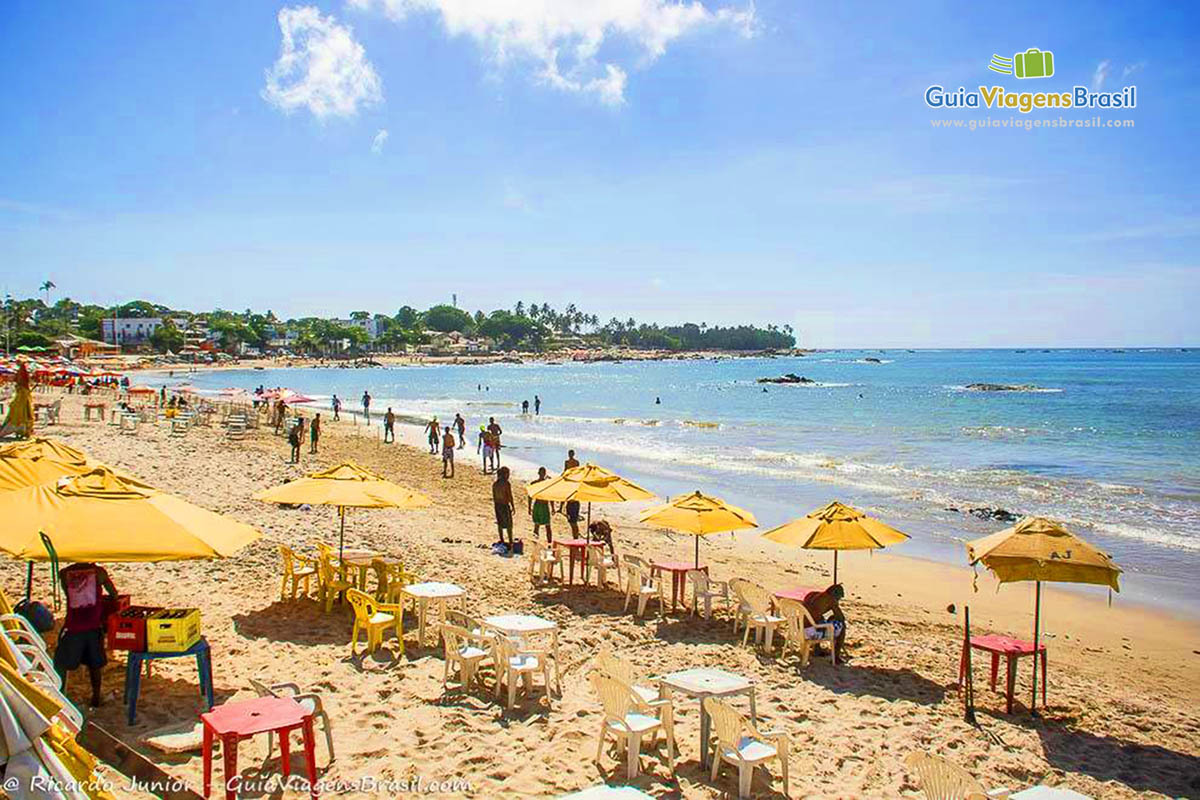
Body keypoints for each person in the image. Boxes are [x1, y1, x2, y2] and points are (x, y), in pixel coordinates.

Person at [55, 562, 119, 707]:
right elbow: (114, 595)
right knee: (94, 665)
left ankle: (60, 694)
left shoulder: (65, 573)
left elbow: (68, 594)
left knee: (61, 663)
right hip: (93, 626)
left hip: (73, 627)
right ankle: (96, 696)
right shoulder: (99, 572)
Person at [802, 584, 848, 664]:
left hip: (800, 629)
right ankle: (836, 657)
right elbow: (841, 618)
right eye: (839, 598)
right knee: (842, 626)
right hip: (811, 633)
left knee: (821, 620)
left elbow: (815, 613)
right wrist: (835, 607)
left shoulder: (812, 594)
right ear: (835, 595)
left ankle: (817, 649)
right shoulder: (831, 600)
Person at [492, 467, 515, 551]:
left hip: (497, 505)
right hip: (504, 505)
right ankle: (510, 541)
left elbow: (494, 497)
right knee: (509, 525)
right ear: (505, 474)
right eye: (508, 474)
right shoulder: (506, 483)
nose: (508, 476)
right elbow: (509, 495)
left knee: (500, 523)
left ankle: (502, 539)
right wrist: (512, 506)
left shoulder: (495, 484)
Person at [528, 467, 553, 543]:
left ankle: (546, 543)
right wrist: (529, 507)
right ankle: (544, 542)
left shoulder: (537, 483)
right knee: (543, 526)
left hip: (540, 505)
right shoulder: (544, 484)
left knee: (541, 525)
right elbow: (530, 496)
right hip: (541, 505)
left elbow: (530, 496)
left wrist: (529, 507)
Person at [563, 449, 581, 535]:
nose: (570, 455)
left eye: (571, 454)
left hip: (574, 479)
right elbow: (565, 470)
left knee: (571, 495)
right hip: (569, 479)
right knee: (567, 494)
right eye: (569, 454)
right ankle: (561, 507)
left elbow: (578, 471)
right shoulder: (566, 462)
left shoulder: (576, 462)